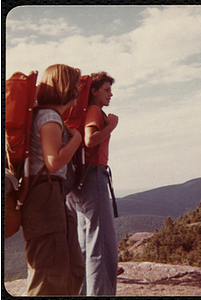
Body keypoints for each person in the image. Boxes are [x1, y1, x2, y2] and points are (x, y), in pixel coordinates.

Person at [20, 64, 85, 296]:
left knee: (68, 267)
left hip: (49, 195)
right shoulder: (49, 116)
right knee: (49, 271)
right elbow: (54, 162)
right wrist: (76, 139)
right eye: (76, 84)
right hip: (45, 196)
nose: (79, 89)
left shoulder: (45, 115)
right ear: (66, 87)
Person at [66, 71, 119, 296]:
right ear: (94, 91)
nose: (110, 94)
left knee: (86, 244)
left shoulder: (83, 112)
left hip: (78, 181)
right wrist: (111, 126)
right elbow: (90, 140)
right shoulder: (95, 110)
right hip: (94, 178)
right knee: (102, 245)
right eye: (106, 90)